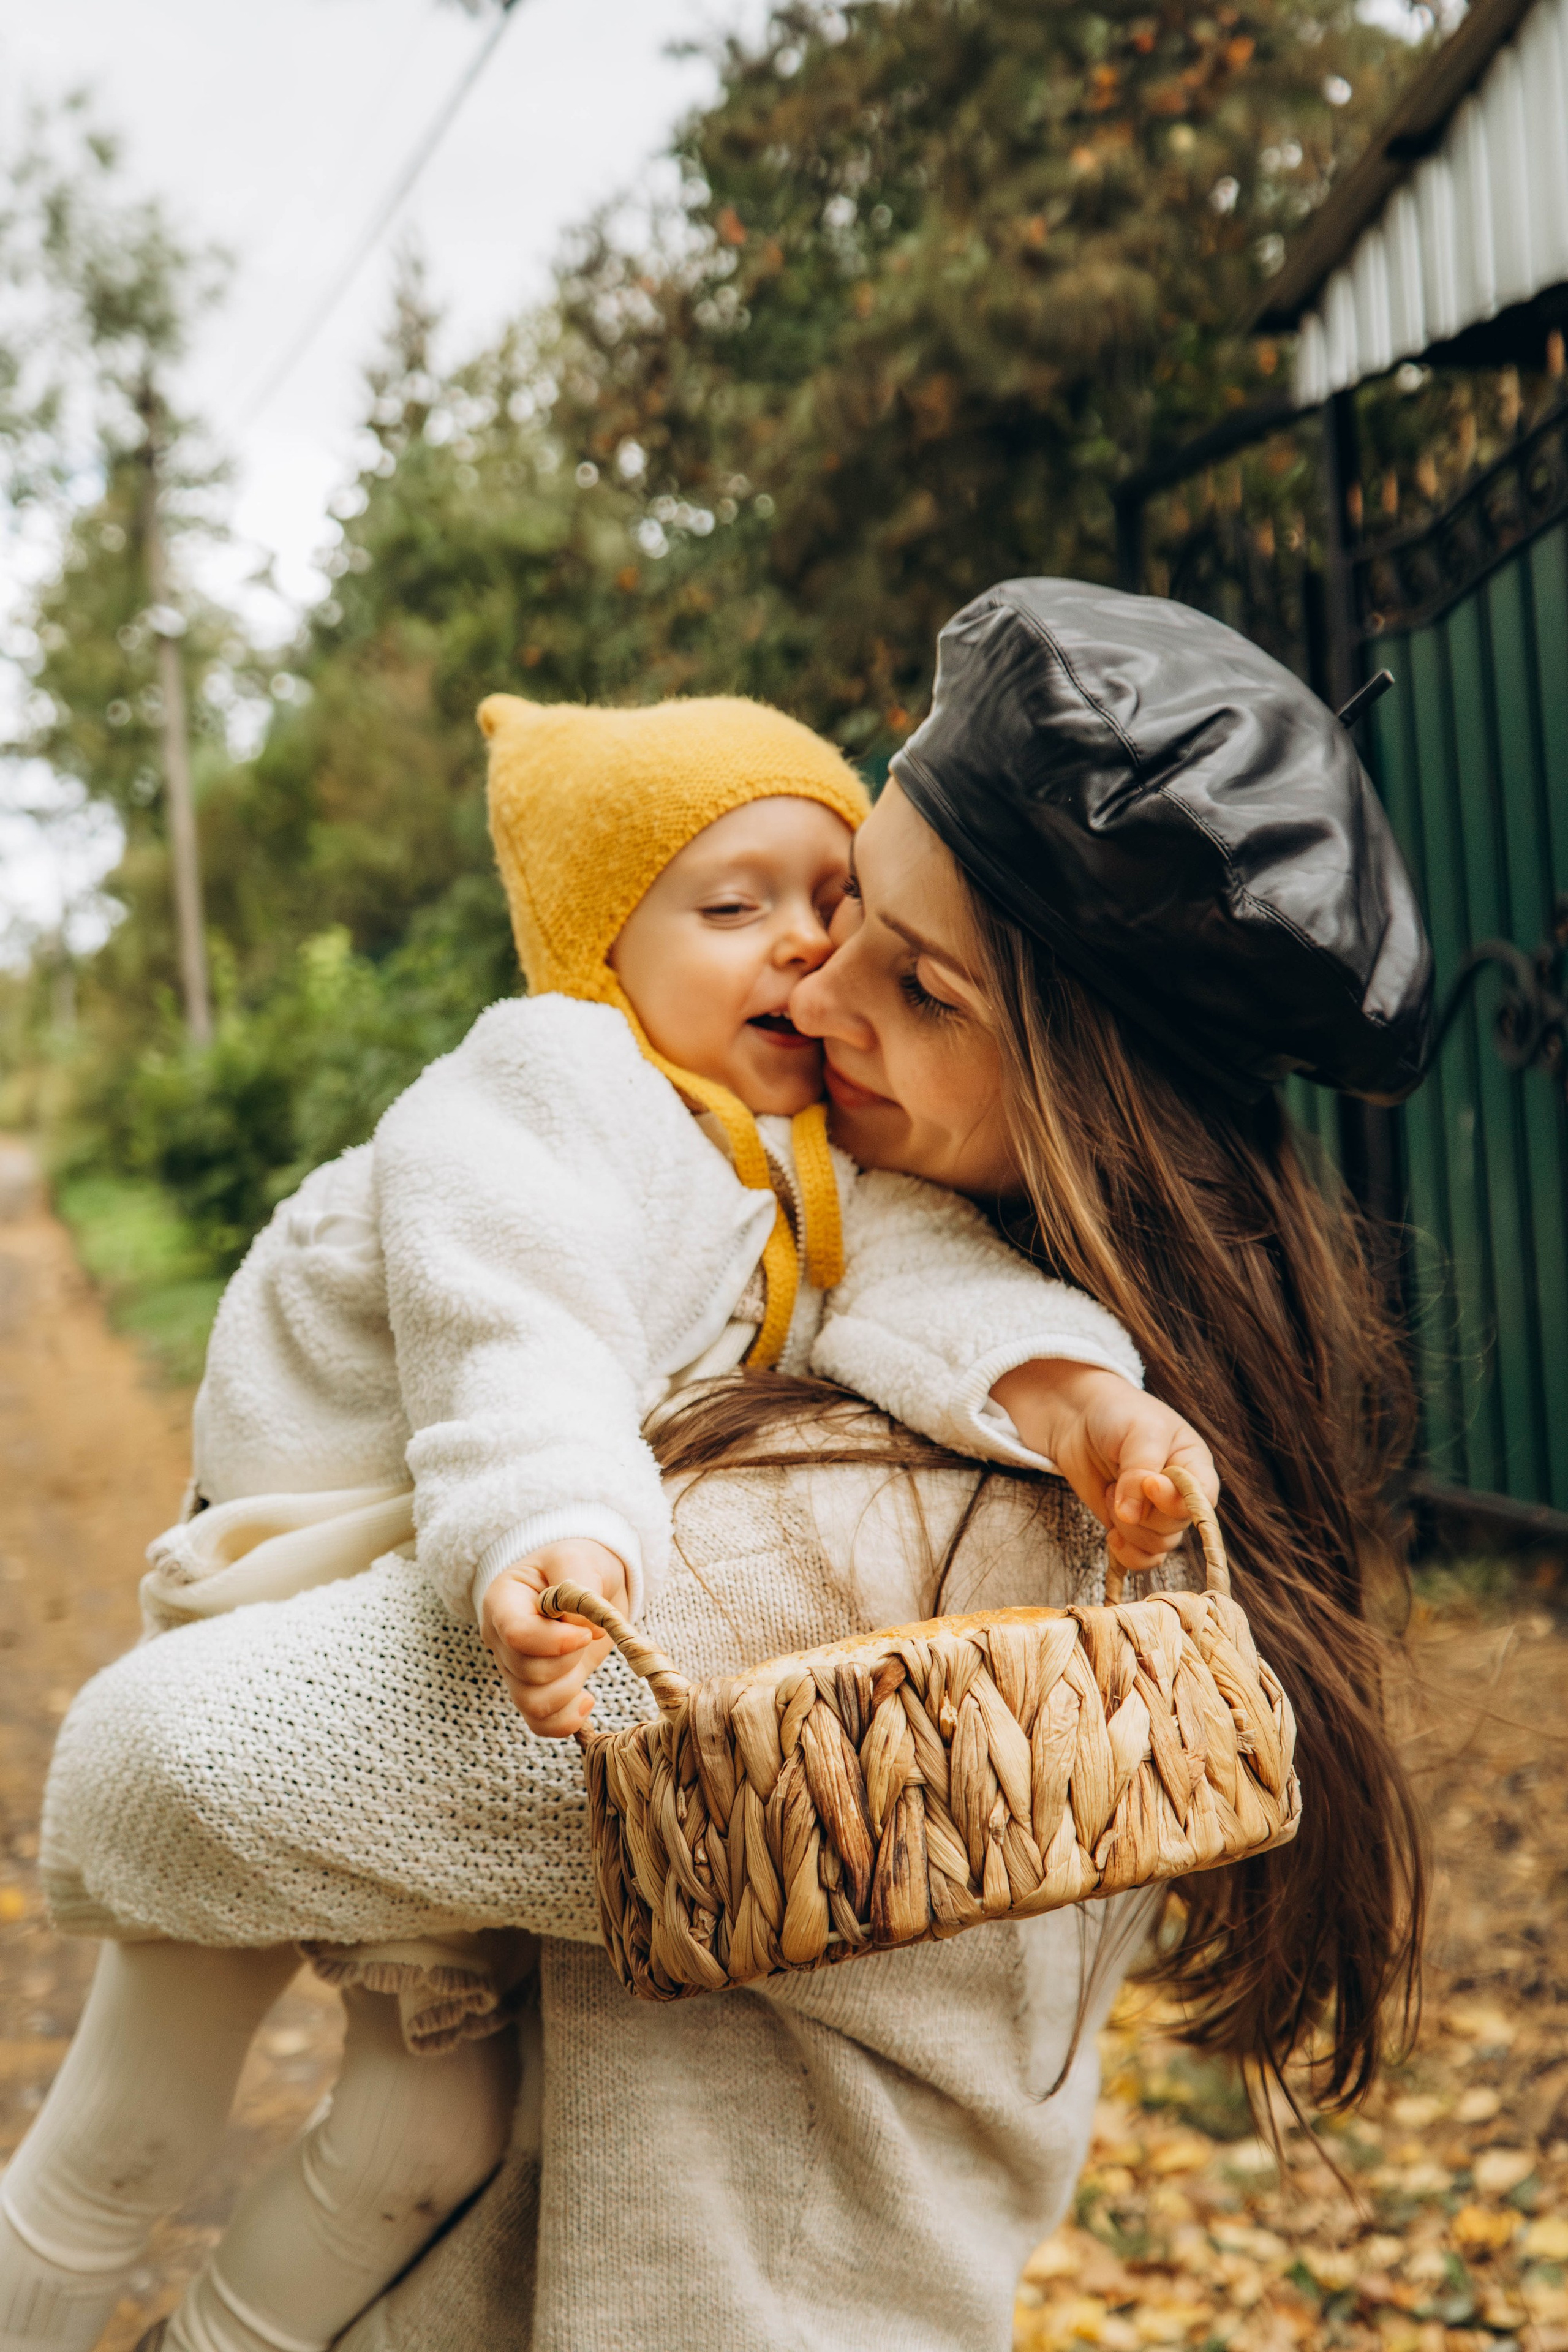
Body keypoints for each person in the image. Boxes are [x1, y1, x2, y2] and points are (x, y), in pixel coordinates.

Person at [12, 582, 1433, 2352]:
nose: (814, 984)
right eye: (829, 909)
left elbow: (165, 1770)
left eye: (904, 973)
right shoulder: (1116, 1464)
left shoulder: (877, 1543)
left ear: (1094, 1091)